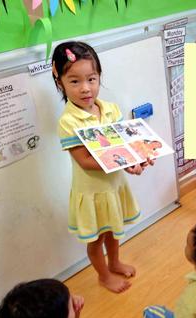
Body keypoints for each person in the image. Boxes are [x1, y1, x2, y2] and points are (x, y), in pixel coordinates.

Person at [53, 41, 152, 293]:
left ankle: (115, 261)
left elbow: (126, 144)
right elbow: (85, 160)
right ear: (59, 80)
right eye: (74, 81)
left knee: (113, 230)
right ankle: (104, 275)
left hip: (113, 186)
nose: (85, 88)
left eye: (91, 79)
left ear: (99, 77)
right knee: (96, 239)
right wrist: (124, 160)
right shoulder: (68, 121)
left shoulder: (110, 109)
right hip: (92, 192)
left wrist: (136, 158)